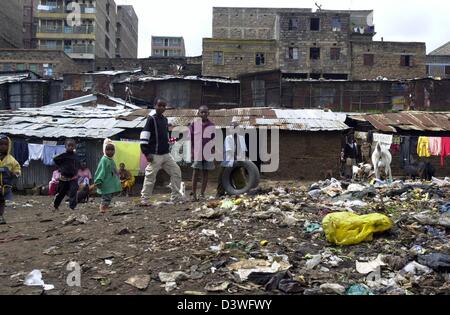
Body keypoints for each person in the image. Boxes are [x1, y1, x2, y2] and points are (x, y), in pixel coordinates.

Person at [139, 98, 183, 207]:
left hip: (166, 154)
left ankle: (176, 197)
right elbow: (144, 136)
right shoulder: (151, 119)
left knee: (176, 172)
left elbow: (165, 138)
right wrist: (146, 153)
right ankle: (144, 199)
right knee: (150, 176)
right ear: (155, 106)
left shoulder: (164, 120)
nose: (162, 108)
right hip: (154, 155)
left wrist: (174, 140)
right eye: (160, 105)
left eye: (164, 106)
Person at [189, 105, 215, 201]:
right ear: (198, 113)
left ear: (208, 113)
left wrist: (213, 149)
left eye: (205, 112)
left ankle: (202, 194)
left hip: (207, 152)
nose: (203, 114)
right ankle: (194, 194)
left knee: (205, 173)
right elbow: (190, 138)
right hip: (197, 152)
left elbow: (213, 138)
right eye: (202, 112)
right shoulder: (194, 125)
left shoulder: (211, 125)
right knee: (195, 172)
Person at [217, 123, 248, 198]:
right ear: (230, 130)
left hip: (238, 161)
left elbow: (244, 150)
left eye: (235, 128)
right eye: (232, 128)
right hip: (228, 161)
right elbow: (230, 151)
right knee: (221, 177)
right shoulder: (228, 138)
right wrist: (236, 158)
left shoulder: (241, 138)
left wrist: (242, 158)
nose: (234, 129)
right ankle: (220, 193)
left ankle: (242, 190)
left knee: (239, 177)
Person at [94, 139, 122, 213]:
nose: (110, 151)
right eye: (108, 150)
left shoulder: (110, 160)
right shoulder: (104, 160)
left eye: (112, 150)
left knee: (109, 195)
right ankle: (102, 208)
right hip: (105, 182)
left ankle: (105, 207)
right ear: (104, 150)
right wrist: (99, 180)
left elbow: (113, 169)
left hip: (110, 182)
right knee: (106, 196)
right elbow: (100, 171)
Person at [53, 139, 81, 211]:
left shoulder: (76, 156)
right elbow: (55, 159)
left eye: (72, 146)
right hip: (64, 178)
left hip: (73, 178)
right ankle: (56, 205)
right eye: (69, 146)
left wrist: (75, 170)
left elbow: (78, 164)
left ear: (74, 147)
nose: (71, 147)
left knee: (73, 192)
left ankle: (72, 207)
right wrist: (61, 167)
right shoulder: (63, 155)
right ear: (65, 147)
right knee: (61, 193)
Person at [0, 135, 21, 225]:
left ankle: (0, 216)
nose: (3, 146)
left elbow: (17, 169)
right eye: (1, 144)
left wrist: (15, 173)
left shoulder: (11, 160)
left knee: (1, 201)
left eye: (6, 144)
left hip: (5, 185)